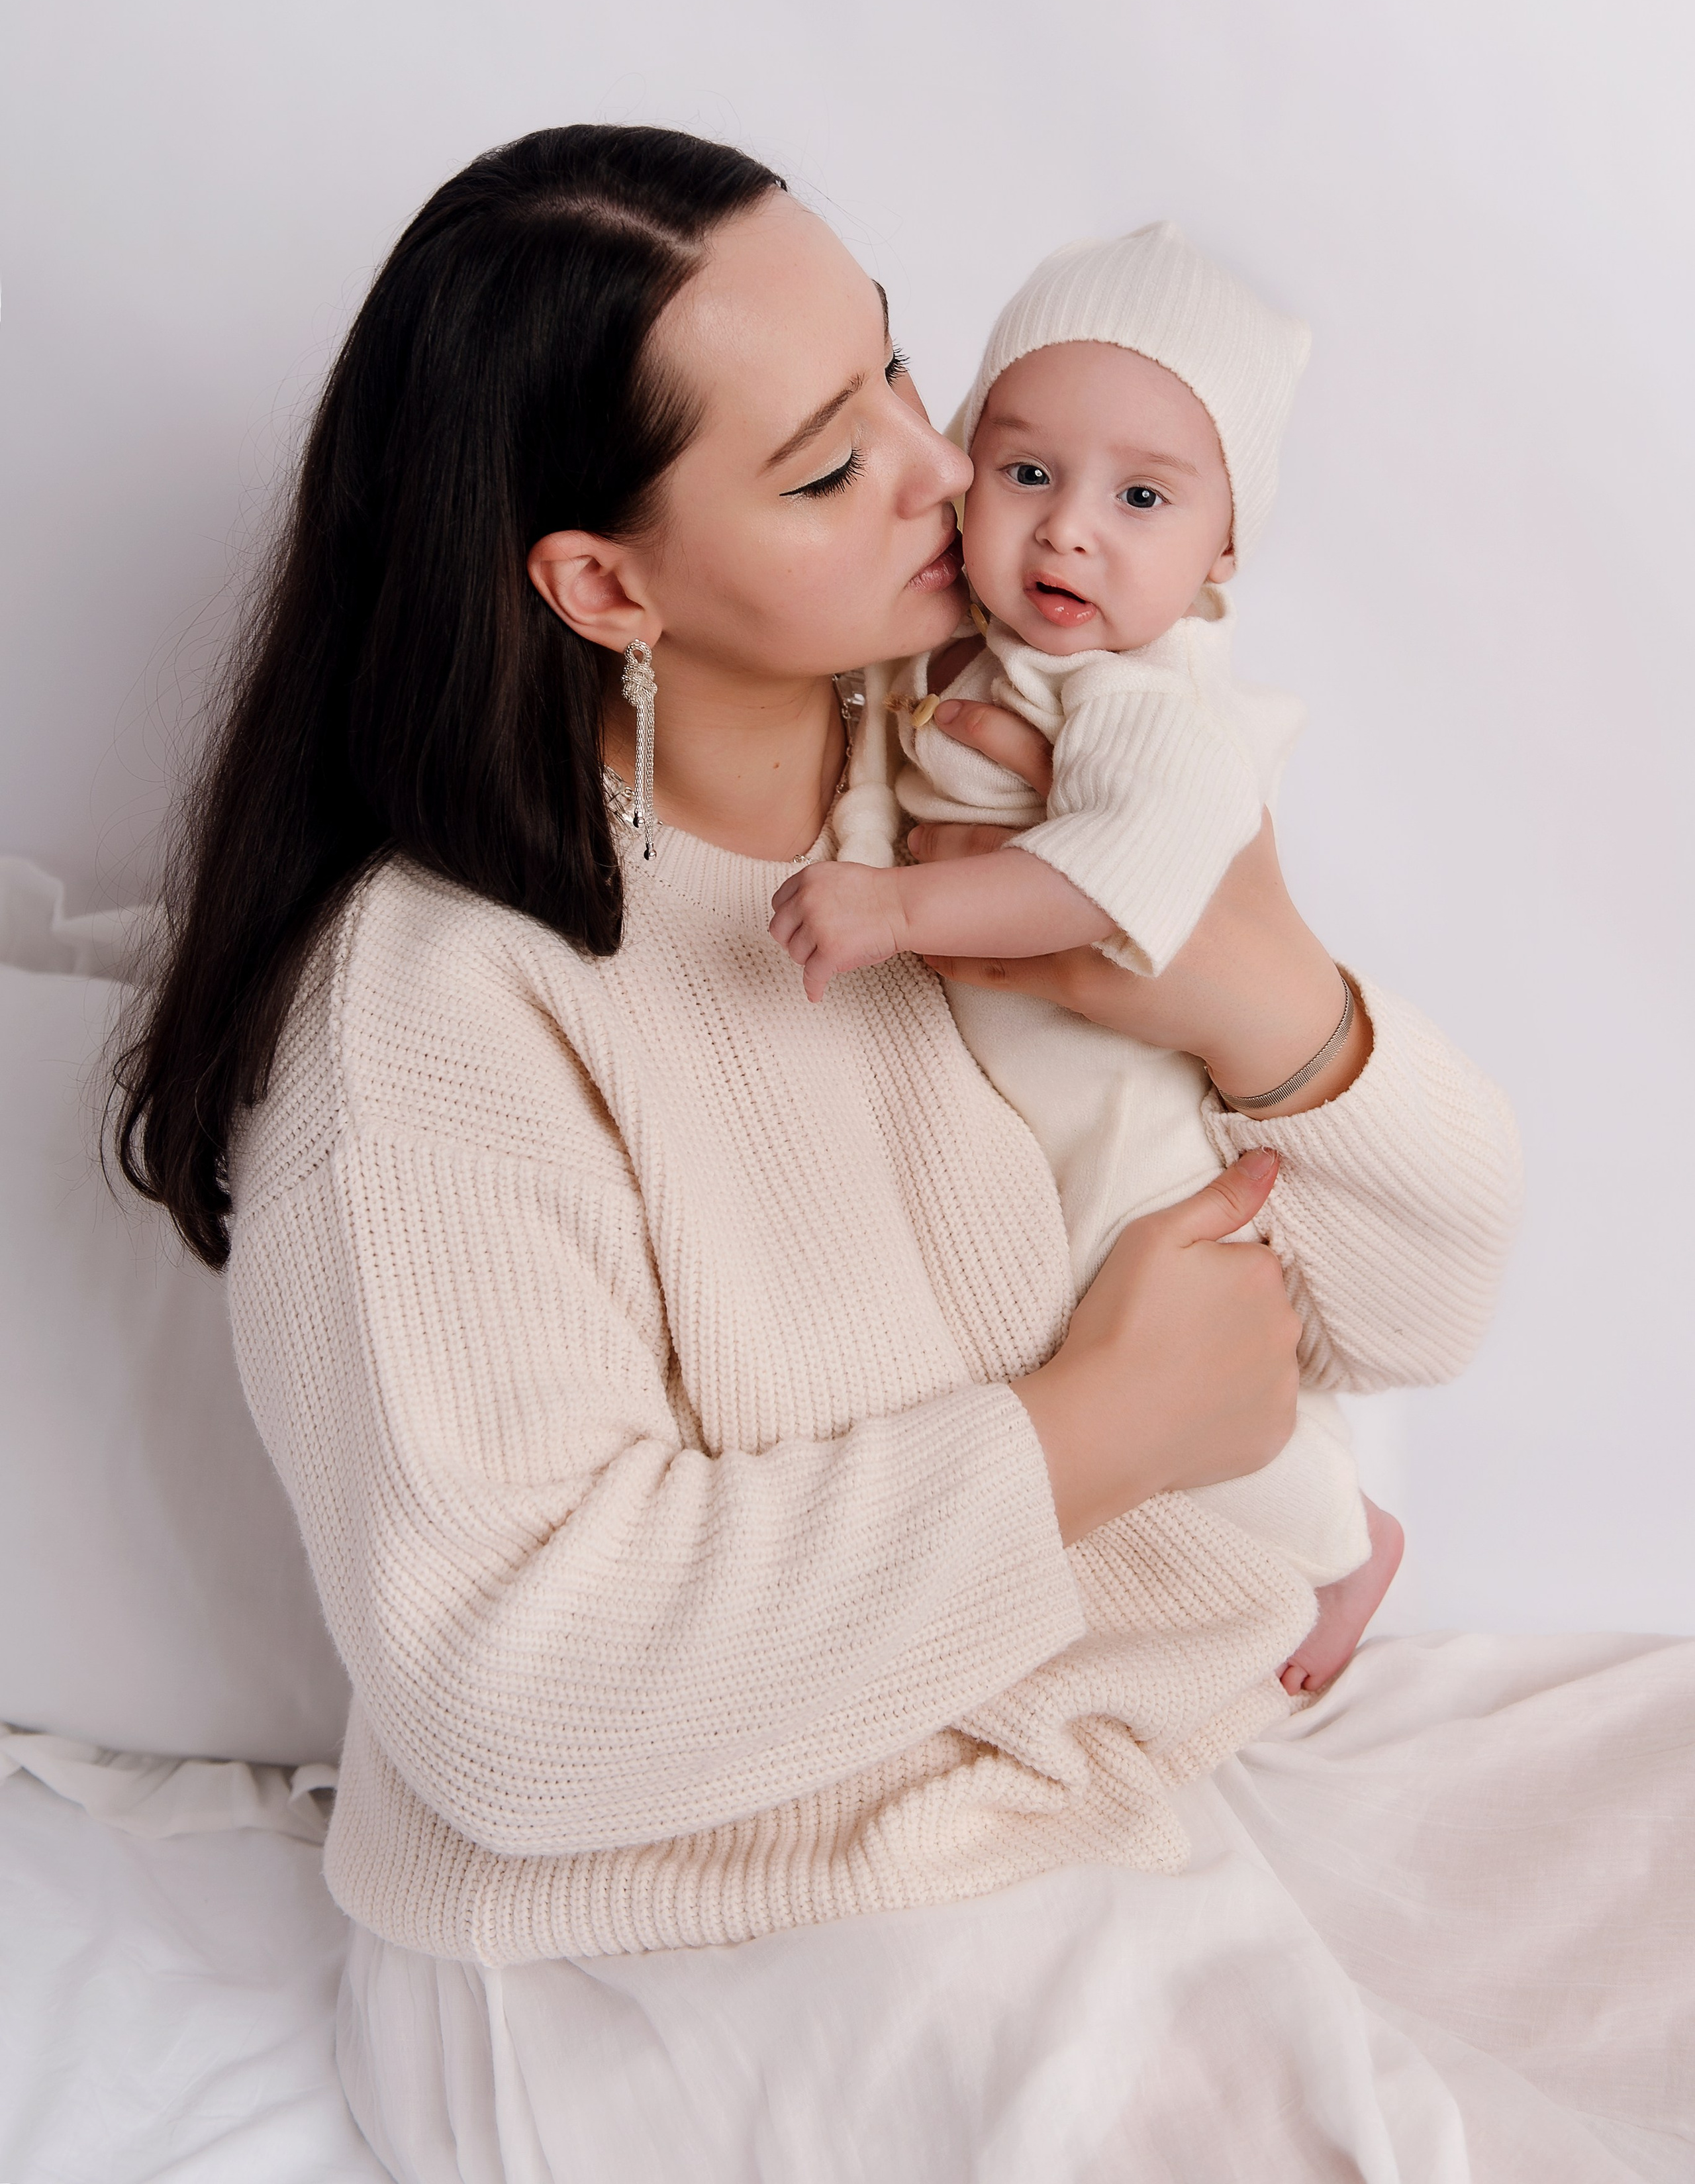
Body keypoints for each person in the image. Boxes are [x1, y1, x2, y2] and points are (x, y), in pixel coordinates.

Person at [115, 126, 1692, 2181]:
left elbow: (1422, 1301)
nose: (949, 469)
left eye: (896, 368)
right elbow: (510, 1699)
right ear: (603, 583)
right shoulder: (444, 1008)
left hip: (1126, 1743)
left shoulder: (1003, 779)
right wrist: (1084, 1436)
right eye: (825, 460)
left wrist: (1266, 1000)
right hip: (702, 1920)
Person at [769, 223, 1402, 1697]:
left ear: (1219, 552)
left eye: (1139, 497)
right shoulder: (966, 653)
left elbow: (1125, 869)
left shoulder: (1136, 692)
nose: (1067, 531)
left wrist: (894, 913)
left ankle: (1341, 1535)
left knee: (1160, 1337)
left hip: (1118, 1114)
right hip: (1008, 1096)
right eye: (1028, 471)